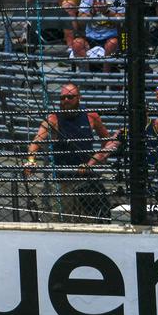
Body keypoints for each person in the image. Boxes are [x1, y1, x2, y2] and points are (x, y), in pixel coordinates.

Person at [24, 83, 113, 221]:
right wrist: (31, 160)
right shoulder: (53, 118)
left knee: (88, 221)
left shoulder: (91, 116)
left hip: (86, 179)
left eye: (70, 97)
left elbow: (107, 141)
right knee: (61, 221)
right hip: (63, 181)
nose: (66, 100)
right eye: (63, 97)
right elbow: (36, 141)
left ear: (79, 98)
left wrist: (94, 161)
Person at [70, 0, 124, 70]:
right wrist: (93, 11)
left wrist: (107, 11)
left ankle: (104, 79)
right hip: (91, 37)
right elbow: (80, 21)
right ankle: (87, 79)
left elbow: (123, 19)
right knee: (77, 44)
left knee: (112, 44)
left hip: (112, 36)